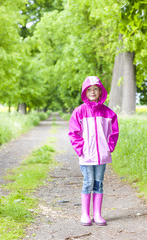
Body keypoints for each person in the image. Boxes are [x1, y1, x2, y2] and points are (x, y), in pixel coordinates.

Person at [68, 76, 119, 226]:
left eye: (95, 89)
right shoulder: (79, 111)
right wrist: (80, 149)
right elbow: (73, 133)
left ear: (100, 91)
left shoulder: (108, 113)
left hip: (102, 155)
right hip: (86, 155)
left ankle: (97, 214)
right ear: (85, 92)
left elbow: (113, 132)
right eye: (89, 89)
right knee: (88, 182)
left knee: (99, 183)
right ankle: (85, 214)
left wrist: (109, 147)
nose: (92, 92)